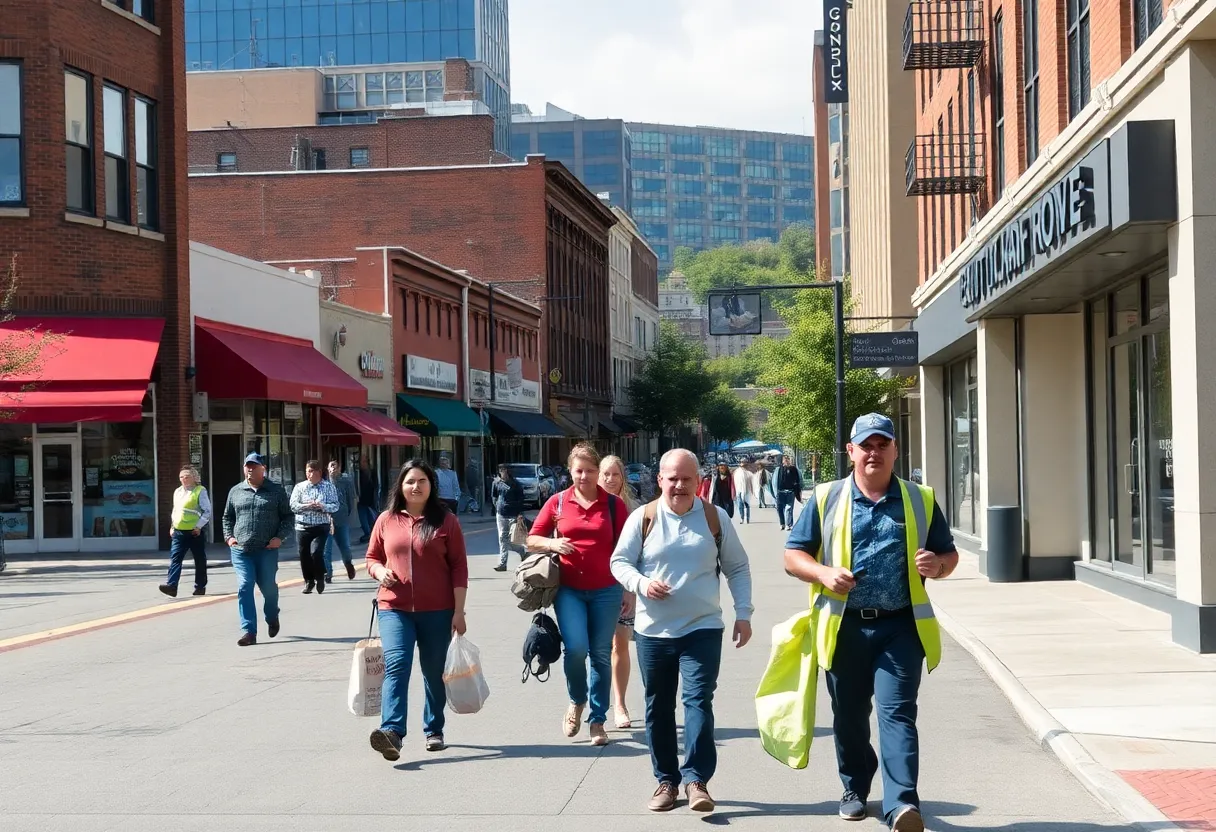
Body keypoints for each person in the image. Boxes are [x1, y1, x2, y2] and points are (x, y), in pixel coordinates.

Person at [782, 413, 959, 832]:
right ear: (851, 452)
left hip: (900, 627)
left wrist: (938, 566)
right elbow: (793, 555)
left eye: (883, 445)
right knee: (849, 715)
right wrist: (824, 573)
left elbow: (948, 555)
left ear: (895, 450)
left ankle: (902, 804)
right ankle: (855, 787)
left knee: (898, 714)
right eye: (866, 446)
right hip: (844, 627)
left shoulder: (921, 498)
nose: (874, 453)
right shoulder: (826, 498)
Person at [610, 448, 753, 814]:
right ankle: (666, 781)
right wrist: (641, 584)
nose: (679, 485)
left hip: (702, 628)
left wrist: (743, 613)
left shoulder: (713, 517)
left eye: (686, 478)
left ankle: (696, 781)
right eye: (672, 478)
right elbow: (619, 562)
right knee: (658, 707)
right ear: (660, 480)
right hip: (654, 632)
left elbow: (737, 567)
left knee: (698, 701)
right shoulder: (643, 518)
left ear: (698, 480)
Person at [366, 459, 469, 761]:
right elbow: (372, 556)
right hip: (393, 607)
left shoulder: (446, 521)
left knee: (433, 672)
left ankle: (433, 728)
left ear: (431, 486)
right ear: (401, 485)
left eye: (422, 481)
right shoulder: (386, 519)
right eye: (410, 481)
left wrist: (459, 611)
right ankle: (392, 732)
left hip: (437, 609)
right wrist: (378, 571)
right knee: (397, 664)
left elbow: (459, 566)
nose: (416, 486)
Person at [526, 442, 628, 748]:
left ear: (598, 472)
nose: (583, 476)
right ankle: (577, 700)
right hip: (568, 590)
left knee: (600, 653)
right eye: (578, 470)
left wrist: (629, 589)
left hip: (607, 590)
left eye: (590, 471)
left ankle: (598, 720)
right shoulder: (558, 503)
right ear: (570, 471)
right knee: (576, 649)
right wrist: (552, 544)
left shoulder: (613, 505)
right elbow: (531, 539)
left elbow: (628, 549)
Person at [222, 453, 294, 647]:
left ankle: (272, 616)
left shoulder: (276, 491)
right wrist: (229, 537)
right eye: (247, 466)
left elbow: (288, 518)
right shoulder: (236, 491)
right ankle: (249, 631)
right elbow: (227, 517)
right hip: (241, 550)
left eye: (254, 466)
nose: (250, 469)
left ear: (264, 469)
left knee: (269, 588)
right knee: (245, 586)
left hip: (266, 550)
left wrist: (280, 538)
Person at [598, 455, 641, 729]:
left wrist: (633, 587)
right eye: (606, 474)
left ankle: (620, 704)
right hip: (592, 587)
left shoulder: (633, 510)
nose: (610, 479)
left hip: (622, 585)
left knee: (619, 644)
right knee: (596, 649)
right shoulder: (586, 506)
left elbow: (640, 553)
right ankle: (594, 705)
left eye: (615, 474)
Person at [160, 466, 212, 598]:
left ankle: (200, 586)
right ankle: (172, 586)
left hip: (194, 531)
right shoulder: (177, 491)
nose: (184, 479)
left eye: (187, 476)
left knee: (199, 559)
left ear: (194, 477)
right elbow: (175, 510)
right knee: (175, 558)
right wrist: (172, 526)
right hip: (179, 531)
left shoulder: (200, 491)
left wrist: (199, 526)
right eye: (181, 477)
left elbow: (207, 511)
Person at [290, 460, 340, 595]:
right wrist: (306, 506)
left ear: (319, 472)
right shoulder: (299, 487)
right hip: (302, 526)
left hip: (321, 526)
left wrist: (323, 506)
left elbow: (335, 505)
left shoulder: (328, 487)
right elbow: (293, 505)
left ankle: (320, 577)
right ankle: (309, 581)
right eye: (308, 472)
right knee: (304, 555)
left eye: (312, 471)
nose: (310, 475)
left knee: (316, 552)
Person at [324, 460, 358, 582]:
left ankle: (348, 564)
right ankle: (328, 573)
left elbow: (352, 499)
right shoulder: (324, 484)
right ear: (327, 469)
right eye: (331, 466)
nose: (333, 468)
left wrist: (349, 515)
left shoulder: (346, 483)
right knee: (326, 549)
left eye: (335, 466)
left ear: (339, 468)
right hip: (326, 520)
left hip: (341, 519)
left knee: (345, 547)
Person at [491, 463, 527, 572]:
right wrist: (497, 506)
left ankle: (522, 552)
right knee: (502, 538)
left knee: (512, 540)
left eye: (505, 470)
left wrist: (519, 514)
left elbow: (521, 499)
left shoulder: (515, 484)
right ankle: (503, 564)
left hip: (513, 514)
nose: (503, 472)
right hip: (501, 514)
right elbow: (494, 496)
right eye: (501, 470)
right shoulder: (496, 483)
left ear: (508, 471)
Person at [775, 454, 804, 531]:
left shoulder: (794, 469)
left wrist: (799, 491)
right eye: (785, 459)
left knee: (789, 508)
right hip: (780, 492)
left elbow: (799, 480)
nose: (787, 460)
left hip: (790, 491)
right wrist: (775, 492)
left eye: (788, 459)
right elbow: (774, 481)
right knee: (779, 508)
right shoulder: (778, 469)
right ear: (782, 461)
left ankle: (788, 524)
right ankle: (782, 523)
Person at [357, 457, 378, 543]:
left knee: (371, 517)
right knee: (363, 519)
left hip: (370, 499)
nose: (363, 464)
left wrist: (376, 497)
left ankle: (371, 533)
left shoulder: (372, 472)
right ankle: (368, 533)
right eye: (362, 462)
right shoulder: (358, 473)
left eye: (364, 462)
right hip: (361, 499)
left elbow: (376, 485)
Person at [732, 459, 757, 524]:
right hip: (739, 491)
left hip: (746, 491)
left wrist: (753, 491)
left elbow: (752, 483)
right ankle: (742, 518)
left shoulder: (749, 473)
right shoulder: (737, 472)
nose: (743, 465)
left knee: (746, 505)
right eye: (742, 463)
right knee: (740, 505)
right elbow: (734, 482)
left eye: (744, 464)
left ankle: (747, 518)